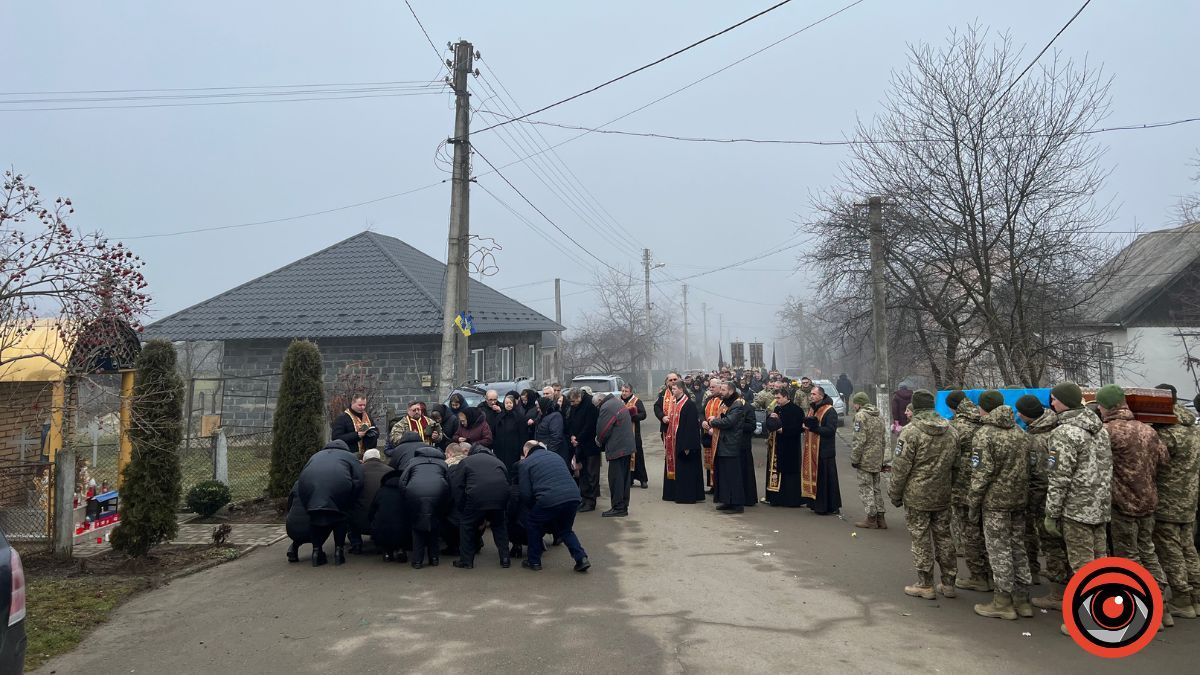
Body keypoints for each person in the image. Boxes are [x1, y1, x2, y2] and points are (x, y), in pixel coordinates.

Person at [1044, 382, 1112, 636]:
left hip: (1076, 509)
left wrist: (1051, 513)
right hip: (1099, 506)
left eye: (1054, 399)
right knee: (1100, 563)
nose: (1052, 403)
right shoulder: (1100, 429)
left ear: (1064, 401)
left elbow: (1059, 476)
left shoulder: (1064, 433)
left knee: (1082, 565)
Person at [1096, 384, 1170, 619]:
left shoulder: (1107, 432)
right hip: (1149, 500)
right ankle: (1161, 607)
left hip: (1122, 504)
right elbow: (1164, 460)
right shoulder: (1148, 430)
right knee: (1148, 552)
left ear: (1104, 407)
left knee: (1128, 557)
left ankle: (1144, 609)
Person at [967, 391, 1032, 620]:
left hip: (995, 502)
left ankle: (1002, 601)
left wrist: (973, 503)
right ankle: (1022, 600)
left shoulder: (984, 435)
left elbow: (981, 474)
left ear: (983, 408)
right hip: (1019, 499)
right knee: (1018, 547)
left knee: (998, 550)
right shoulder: (1020, 432)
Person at [889, 389, 959, 600]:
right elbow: (957, 466)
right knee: (944, 537)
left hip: (917, 494)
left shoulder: (910, 432)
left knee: (921, 538)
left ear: (915, 407)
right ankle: (949, 583)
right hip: (942, 493)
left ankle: (925, 584)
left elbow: (900, 468)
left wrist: (895, 493)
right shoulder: (952, 431)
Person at [1014, 395, 1068, 611]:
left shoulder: (1037, 440)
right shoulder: (1054, 428)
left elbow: (1040, 476)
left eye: (1020, 412)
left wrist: (1033, 504)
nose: (1018, 415)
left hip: (1045, 499)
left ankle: (1058, 594)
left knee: (1052, 545)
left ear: (1028, 414)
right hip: (1060, 497)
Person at [1151, 387, 1200, 619]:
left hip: (1167, 502)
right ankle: (1196, 596)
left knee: (1171, 551)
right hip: (1189, 500)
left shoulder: (1167, 433)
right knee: (1188, 548)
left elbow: (1153, 464)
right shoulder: (1193, 429)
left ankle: (1181, 599)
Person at [519, 440, 591, 572]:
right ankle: (581, 558)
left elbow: (525, 493)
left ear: (526, 452)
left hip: (549, 498)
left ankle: (534, 561)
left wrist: (533, 507)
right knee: (566, 529)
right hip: (573, 496)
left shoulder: (526, 463)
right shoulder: (556, 456)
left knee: (533, 523)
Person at [945, 390, 991, 593]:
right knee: (985, 530)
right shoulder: (984, 420)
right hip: (987, 485)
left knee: (970, 531)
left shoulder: (957, 426)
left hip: (963, 486)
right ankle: (992, 573)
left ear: (954, 407)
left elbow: (949, 457)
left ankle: (978, 577)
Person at [296, 439, 363, 566]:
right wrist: (350, 500)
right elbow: (358, 480)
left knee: (314, 518)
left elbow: (303, 476)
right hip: (339, 489)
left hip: (309, 489)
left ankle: (316, 552)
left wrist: (307, 504)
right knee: (340, 518)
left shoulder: (315, 456)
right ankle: (339, 552)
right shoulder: (349, 456)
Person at [451, 444, 512, 569]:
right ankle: (505, 558)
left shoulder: (466, 462)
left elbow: (457, 486)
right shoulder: (498, 461)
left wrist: (462, 506)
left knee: (467, 526)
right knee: (499, 526)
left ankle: (466, 561)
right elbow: (507, 481)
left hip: (476, 498)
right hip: (499, 498)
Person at [400, 445, 450, 569]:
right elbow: (449, 483)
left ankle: (417, 561)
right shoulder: (442, 464)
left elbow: (402, 482)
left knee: (417, 528)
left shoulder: (413, 462)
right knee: (435, 526)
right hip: (438, 494)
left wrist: (406, 497)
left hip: (415, 495)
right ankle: (434, 558)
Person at [706, 381, 748, 514]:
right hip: (722, 444)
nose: (721, 392)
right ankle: (727, 501)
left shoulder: (737, 404)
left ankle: (737, 504)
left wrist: (713, 421)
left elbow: (729, 422)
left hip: (730, 445)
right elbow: (724, 417)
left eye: (723, 390)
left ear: (730, 391)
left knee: (732, 476)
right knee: (723, 475)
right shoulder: (726, 403)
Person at [799, 386, 841, 515]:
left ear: (821, 396)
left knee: (826, 480)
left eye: (814, 394)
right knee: (815, 479)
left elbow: (830, 430)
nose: (811, 396)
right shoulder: (813, 408)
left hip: (824, 451)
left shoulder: (829, 410)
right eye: (811, 394)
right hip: (812, 451)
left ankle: (828, 506)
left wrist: (814, 428)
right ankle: (814, 503)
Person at [662, 381, 705, 504]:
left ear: (681, 389)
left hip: (684, 443)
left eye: (674, 389)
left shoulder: (688, 404)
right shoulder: (675, 403)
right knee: (676, 469)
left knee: (686, 469)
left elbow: (691, 427)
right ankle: (674, 494)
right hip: (674, 441)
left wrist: (687, 445)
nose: (672, 391)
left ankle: (686, 495)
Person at [850, 391, 888, 528]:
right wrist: (883, 459)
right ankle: (881, 518)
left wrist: (855, 458)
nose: (853, 406)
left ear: (858, 404)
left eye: (854, 403)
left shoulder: (860, 416)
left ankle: (871, 518)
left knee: (866, 488)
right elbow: (883, 440)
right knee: (876, 488)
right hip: (877, 457)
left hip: (865, 458)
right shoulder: (879, 416)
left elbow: (859, 440)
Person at [596, 392, 635, 518]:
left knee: (616, 479)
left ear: (600, 401)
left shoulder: (606, 407)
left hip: (617, 448)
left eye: (597, 406)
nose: (598, 408)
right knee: (624, 478)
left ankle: (618, 507)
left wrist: (599, 441)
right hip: (626, 446)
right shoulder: (617, 402)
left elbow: (603, 430)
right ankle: (623, 506)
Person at [763, 387, 803, 507]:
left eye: (778, 398)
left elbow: (799, 428)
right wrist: (771, 418)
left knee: (789, 474)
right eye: (775, 398)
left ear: (786, 397)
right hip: (777, 446)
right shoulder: (777, 409)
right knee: (777, 471)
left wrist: (783, 430)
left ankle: (791, 500)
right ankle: (775, 498)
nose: (777, 400)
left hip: (790, 446)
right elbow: (771, 424)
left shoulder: (796, 410)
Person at [349, 448, 392, 554]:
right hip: (383, 520)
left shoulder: (356, 471)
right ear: (380, 458)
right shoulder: (390, 471)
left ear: (363, 460)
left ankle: (356, 544)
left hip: (360, 521)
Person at [565, 388, 601, 512]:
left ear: (579, 397)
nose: (572, 404)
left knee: (591, 474)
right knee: (583, 474)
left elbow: (590, 426)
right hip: (579, 445)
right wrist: (572, 436)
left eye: (574, 402)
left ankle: (591, 501)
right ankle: (584, 498)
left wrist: (578, 438)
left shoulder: (590, 404)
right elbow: (571, 422)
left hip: (590, 446)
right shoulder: (575, 406)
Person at [369, 467, 409, 563]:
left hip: (381, 529)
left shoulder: (381, 491)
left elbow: (372, 512)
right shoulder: (406, 491)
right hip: (402, 529)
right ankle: (401, 549)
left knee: (384, 525)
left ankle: (387, 552)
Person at [491, 393, 527, 480]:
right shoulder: (500, 416)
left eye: (510, 403)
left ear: (514, 403)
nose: (508, 405)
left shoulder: (519, 416)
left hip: (513, 449)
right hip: (500, 449)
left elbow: (523, 434)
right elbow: (494, 432)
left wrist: (522, 451)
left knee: (513, 469)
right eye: (506, 403)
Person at [621, 384, 650, 489]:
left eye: (626, 391)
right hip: (622, 435)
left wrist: (633, 416)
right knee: (626, 457)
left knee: (638, 456)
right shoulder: (619, 402)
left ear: (631, 392)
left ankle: (643, 479)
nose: (624, 393)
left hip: (634, 434)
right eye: (623, 391)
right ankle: (629, 479)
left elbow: (643, 414)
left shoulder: (637, 401)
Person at [738, 385, 759, 507]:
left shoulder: (748, 407)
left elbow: (752, 426)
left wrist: (738, 424)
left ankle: (748, 498)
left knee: (746, 472)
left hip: (744, 444)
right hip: (734, 444)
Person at [535, 395, 567, 466]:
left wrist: (549, 453)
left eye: (539, 408)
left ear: (544, 406)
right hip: (543, 450)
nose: (537, 410)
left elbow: (556, 437)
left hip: (552, 452)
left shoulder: (555, 416)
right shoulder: (542, 415)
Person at [652, 373, 682, 440]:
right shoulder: (663, 393)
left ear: (679, 380)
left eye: (675, 379)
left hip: (681, 428)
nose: (673, 381)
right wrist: (662, 417)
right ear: (667, 382)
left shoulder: (684, 392)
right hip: (666, 427)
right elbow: (656, 406)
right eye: (670, 380)